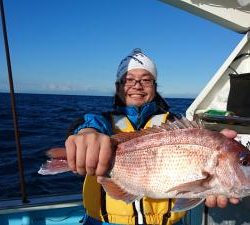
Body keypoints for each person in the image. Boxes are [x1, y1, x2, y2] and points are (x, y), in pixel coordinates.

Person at [65, 48, 239, 225]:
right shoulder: (103, 122)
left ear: (155, 87)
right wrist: (86, 133)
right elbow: (86, 124)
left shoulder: (174, 123)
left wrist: (221, 150)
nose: (137, 86)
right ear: (118, 87)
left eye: (146, 80)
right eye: (129, 80)